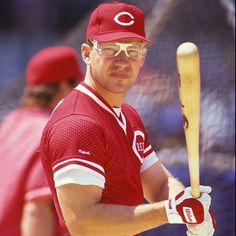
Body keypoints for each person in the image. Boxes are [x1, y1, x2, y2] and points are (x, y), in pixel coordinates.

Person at [40, 2, 216, 236]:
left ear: (143, 58)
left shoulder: (127, 114)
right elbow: (82, 223)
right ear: (86, 53)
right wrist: (172, 210)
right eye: (111, 48)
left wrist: (188, 204)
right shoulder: (78, 123)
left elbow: (160, 183)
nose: (123, 60)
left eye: (133, 50)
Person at [0, 45, 84, 236]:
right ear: (64, 87)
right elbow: (36, 209)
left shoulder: (12, 121)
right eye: (78, 85)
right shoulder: (52, 131)